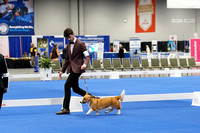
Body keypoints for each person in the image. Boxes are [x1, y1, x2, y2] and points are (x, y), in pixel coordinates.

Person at [56, 28, 97, 115]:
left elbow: (87, 56)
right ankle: (93, 98)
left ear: (73, 34)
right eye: (67, 38)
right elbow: (67, 60)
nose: (69, 39)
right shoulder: (68, 46)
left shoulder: (81, 44)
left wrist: (85, 64)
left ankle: (66, 108)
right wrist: (61, 71)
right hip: (71, 69)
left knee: (67, 85)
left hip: (78, 69)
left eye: (69, 37)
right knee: (75, 89)